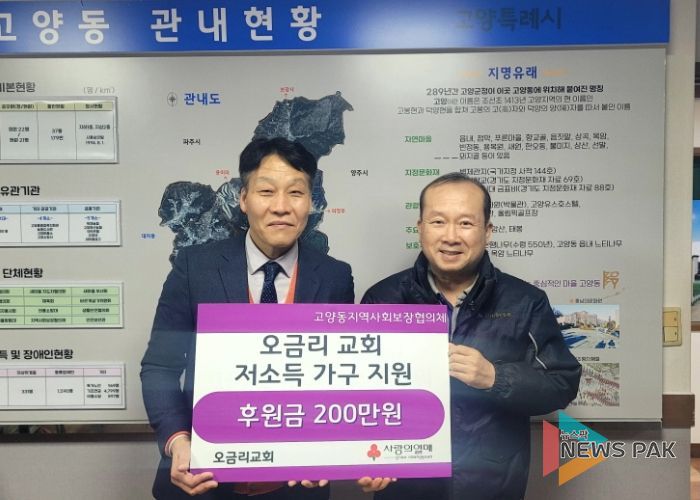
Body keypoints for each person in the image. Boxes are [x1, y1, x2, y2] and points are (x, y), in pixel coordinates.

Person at [141, 137, 390, 499]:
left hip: (297, 486)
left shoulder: (334, 276)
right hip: (202, 480)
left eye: (296, 192)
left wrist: (333, 448)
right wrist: (177, 440)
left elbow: (337, 380)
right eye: (266, 191)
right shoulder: (195, 268)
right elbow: (160, 367)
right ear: (244, 199)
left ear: (310, 202)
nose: (281, 207)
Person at [362, 173, 581, 500]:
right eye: (438, 221)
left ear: (487, 231)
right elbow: (360, 394)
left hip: (493, 484)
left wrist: (495, 377)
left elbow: (562, 383)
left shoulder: (525, 302)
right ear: (420, 227)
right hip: (406, 483)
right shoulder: (382, 299)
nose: (451, 236)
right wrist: (366, 456)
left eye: (465, 223)